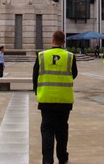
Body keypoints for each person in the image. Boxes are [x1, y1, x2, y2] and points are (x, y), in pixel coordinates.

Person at [33, 30, 78, 164]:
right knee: (62, 129)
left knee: (47, 130)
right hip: (64, 99)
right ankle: (62, 157)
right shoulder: (70, 56)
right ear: (64, 41)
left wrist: (38, 91)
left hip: (46, 98)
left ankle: (47, 160)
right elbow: (74, 74)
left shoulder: (42, 55)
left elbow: (35, 76)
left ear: (52, 40)